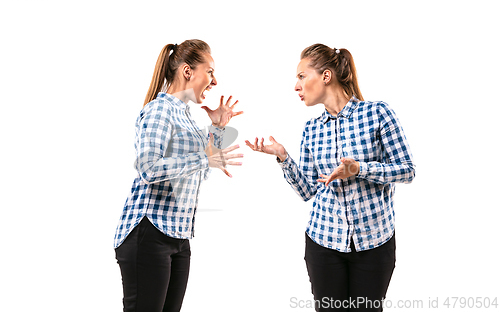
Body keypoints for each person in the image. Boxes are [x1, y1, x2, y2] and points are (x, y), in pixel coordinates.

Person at [245, 44, 415, 311]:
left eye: (301, 76)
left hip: (373, 244)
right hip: (323, 243)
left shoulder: (377, 113)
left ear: (326, 76)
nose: (296, 86)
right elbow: (308, 192)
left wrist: (360, 169)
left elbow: (406, 170)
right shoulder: (311, 129)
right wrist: (282, 157)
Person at [114, 39, 243, 312]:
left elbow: (201, 172)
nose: (215, 81)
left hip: (178, 237)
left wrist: (217, 128)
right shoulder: (159, 110)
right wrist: (203, 158)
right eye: (210, 71)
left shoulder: (186, 117)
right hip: (149, 233)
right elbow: (148, 169)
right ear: (187, 72)